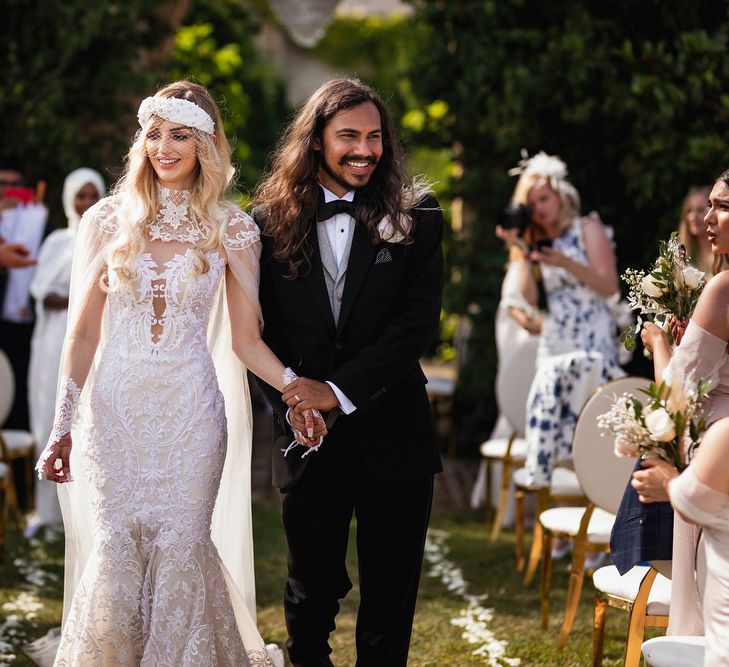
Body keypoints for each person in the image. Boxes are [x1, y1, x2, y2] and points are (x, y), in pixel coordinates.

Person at [32, 81, 315, 665]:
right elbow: (82, 334)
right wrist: (62, 424)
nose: (163, 147)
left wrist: (295, 390)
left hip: (191, 415)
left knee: (184, 545)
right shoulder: (107, 220)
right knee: (114, 549)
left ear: (206, 143)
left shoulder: (232, 228)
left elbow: (245, 340)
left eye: (179, 134)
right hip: (113, 414)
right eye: (154, 134)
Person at [252, 77, 444, 667]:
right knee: (309, 594)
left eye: (375, 137)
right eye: (349, 136)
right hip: (309, 440)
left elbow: (415, 330)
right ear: (315, 142)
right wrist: (292, 402)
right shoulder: (265, 223)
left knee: (390, 598)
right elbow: (255, 334)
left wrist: (335, 392)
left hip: (396, 431)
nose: (366, 149)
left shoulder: (418, 216)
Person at [635, 167, 729, 636]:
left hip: (716, 458)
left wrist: (659, 345)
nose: (708, 218)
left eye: (724, 207)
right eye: (709, 205)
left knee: (713, 608)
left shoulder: (723, 289)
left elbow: (674, 395)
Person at [497, 151, 623, 487]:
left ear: (561, 196)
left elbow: (608, 284)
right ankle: (556, 520)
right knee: (554, 404)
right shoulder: (534, 243)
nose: (538, 208)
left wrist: (565, 263)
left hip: (592, 335)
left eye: (543, 199)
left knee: (589, 426)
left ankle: (582, 492)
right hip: (554, 340)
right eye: (531, 202)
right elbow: (533, 299)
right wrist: (523, 252)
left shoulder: (587, 228)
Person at [27, 168, 105, 532]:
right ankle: (49, 513)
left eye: (93, 195)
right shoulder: (57, 241)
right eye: (81, 195)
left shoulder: (111, 236)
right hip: (54, 338)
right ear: (69, 198)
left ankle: (86, 517)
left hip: (95, 336)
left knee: (88, 419)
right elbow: (40, 288)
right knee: (50, 413)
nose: (87, 202)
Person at [0, 157, 48, 430]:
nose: (8, 191)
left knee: (21, 396)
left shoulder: (36, 218)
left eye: (14, 185)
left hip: (27, 324)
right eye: (2, 184)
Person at [678, 185, 713, 276]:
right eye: (689, 211)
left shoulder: (723, 255)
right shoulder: (680, 256)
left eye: (700, 210)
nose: (693, 217)